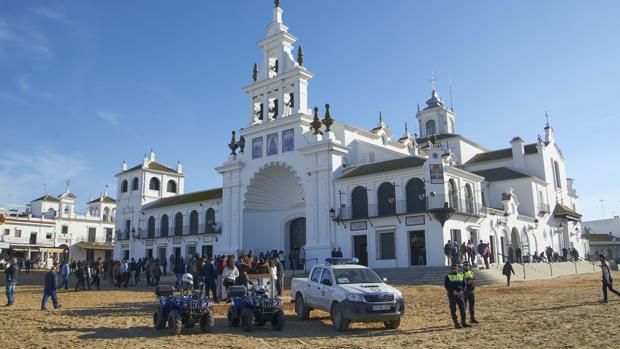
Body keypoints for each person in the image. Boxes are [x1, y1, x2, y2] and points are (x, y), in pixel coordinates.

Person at [444, 264, 470, 329]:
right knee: (453, 310)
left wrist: (462, 291)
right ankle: (456, 324)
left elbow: (464, 285)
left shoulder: (461, 275)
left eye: (456, 268)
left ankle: (464, 323)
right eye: (453, 268)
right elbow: (446, 286)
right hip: (452, 295)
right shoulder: (448, 276)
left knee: (463, 309)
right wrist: (452, 291)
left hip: (460, 295)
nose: (455, 269)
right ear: (451, 269)